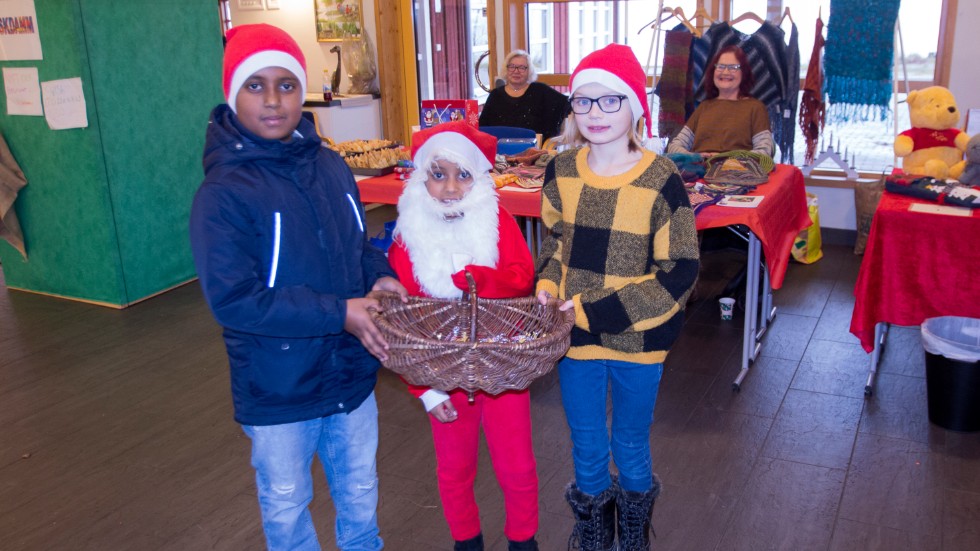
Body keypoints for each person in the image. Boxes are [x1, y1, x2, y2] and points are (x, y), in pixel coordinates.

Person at [189, 24, 407, 551]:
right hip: (278, 386)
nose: (272, 100)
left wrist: (380, 275)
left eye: (286, 85)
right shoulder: (222, 194)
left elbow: (356, 244)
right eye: (255, 85)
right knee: (286, 504)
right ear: (231, 94)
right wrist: (341, 313)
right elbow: (235, 301)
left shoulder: (331, 166)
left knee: (360, 490)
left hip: (350, 376)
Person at [537, 44, 700, 551]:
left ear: (634, 106)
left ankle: (632, 536)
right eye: (583, 102)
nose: (595, 113)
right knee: (586, 443)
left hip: (639, 339)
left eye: (610, 101)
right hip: (575, 338)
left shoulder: (661, 176)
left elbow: (680, 271)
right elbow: (555, 243)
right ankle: (592, 532)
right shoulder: (560, 170)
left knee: (630, 443)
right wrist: (546, 283)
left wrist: (593, 310)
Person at [386, 121, 540, 551]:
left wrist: (477, 279)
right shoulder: (408, 237)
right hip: (441, 373)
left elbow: (521, 277)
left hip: (502, 364)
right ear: (422, 178)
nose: (451, 187)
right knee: (453, 468)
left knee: (517, 465)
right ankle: (466, 541)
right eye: (438, 174)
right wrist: (425, 390)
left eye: (463, 175)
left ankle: (523, 540)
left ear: (479, 177)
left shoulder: (498, 221)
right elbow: (400, 326)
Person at [666, 45, 773, 157]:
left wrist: (724, 159)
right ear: (713, 71)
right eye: (721, 66)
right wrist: (695, 157)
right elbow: (674, 147)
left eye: (733, 67)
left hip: (737, 172)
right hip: (699, 171)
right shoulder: (704, 107)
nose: (726, 72)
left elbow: (764, 153)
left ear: (744, 73)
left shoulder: (756, 108)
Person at [478, 50, 571, 140]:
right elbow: (482, 127)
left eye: (522, 67)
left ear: (529, 71)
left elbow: (567, 103)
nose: (516, 71)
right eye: (512, 66)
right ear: (506, 69)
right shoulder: (495, 95)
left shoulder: (540, 91)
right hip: (499, 152)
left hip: (534, 151)